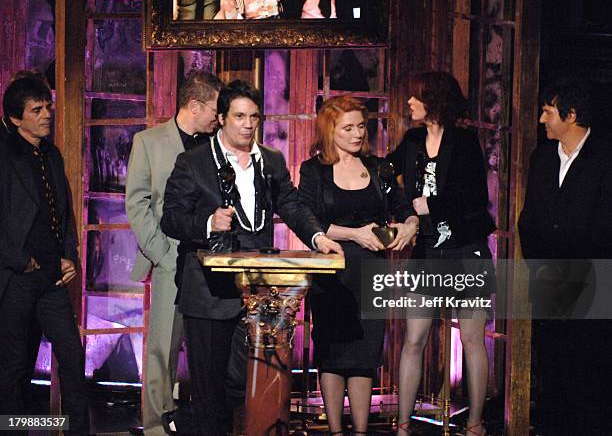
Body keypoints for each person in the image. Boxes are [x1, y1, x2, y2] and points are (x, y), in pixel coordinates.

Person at [160, 80, 342, 436]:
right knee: (210, 391)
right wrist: (209, 222)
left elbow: (290, 204)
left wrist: (319, 236)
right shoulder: (193, 162)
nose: (248, 124)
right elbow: (171, 218)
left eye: (254, 117)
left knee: (251, 383)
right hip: (209, 294)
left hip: (260, 292)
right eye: (240, 116)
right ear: (223, 117)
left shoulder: (270, 161)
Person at [298, 95, 419, 435]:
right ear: (329, 129)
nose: (356, 134)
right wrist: (355, 234)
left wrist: (409, 225)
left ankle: (362, 431)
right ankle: (336, 431)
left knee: (365, 354)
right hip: (332, 270)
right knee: (332, 352)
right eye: (347, 127)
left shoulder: (380, 167)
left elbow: (403, 206)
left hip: (372, 270)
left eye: (361, 126)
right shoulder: (315, 170)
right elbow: (311, 219)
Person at [387, 72, 496, 436]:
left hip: (465, 250)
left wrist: (430, 204)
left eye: (415, 97)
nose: (409, 104)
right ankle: (402, 424)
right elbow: (387, 173)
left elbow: (476, 198)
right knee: (414, 338)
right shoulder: (414, 139)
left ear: (433, 101)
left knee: (471, 339)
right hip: (428, 253)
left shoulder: (464, 141)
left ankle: (476, 423)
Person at [126, 71, 223, 435]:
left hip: (209, 260)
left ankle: (200, 420)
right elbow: (137, 204)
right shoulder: (148, 142)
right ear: (194, 105)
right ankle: (155, 426)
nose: (220, 116)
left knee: (207, 348)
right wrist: (163, 254)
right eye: (215, 108)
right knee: (162, 349)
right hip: (169, 258)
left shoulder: (216, 145)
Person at [518, 79, 612, 435]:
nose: (542, 119)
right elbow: (530, 220)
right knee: (551, 373)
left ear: (570, 116)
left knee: (588, 375)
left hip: (591, 284)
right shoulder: (542, 157)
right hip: (547, 284)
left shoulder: (604, 157)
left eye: (547, 111)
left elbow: (603, 224)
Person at [0, 75, 89, 434]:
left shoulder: (50, 153)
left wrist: (69, 254)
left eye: (47, 106)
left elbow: (64, 210)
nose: (46, 114)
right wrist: (18, 259)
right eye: (37, 109)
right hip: (18, 278)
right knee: (13, 367)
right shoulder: (4, 155)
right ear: (15, 118)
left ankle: (79, 429)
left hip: (51, 278)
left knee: (72, 353)